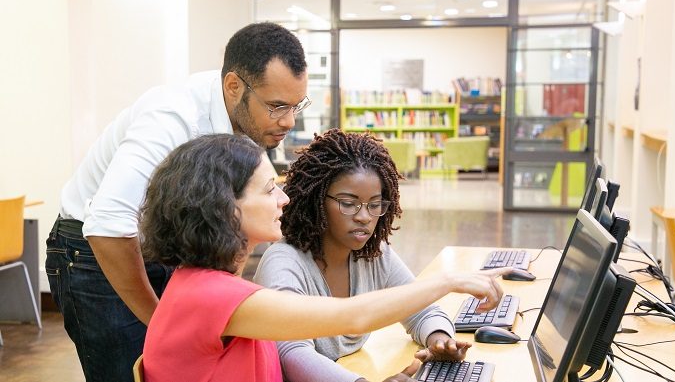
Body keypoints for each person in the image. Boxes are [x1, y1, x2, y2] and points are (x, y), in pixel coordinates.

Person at [45, 22, 311, 382]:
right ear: (234, 86)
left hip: (155, 247)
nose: (288, 121)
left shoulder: (242, 118)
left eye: (297, 106)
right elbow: (107, 224)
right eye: (277, 106)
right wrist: (163, 325)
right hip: (94, 251)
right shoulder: (173, 117)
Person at [141, 134, 508, 382]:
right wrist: (448, 281)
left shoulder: (202, 284)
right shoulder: (213, 296)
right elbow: (352, 315)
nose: (284, 200)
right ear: (225, 206)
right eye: (270, 190)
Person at [254, 129, 481, 382]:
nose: (364, 217)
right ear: (315, 201)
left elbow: (421, 311)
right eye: (349, 203)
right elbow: (291, 352)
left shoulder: (374, 253)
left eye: (375, 205)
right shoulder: (284, 262)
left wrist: (439, 340)